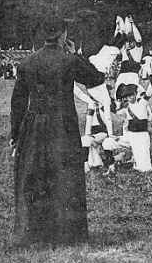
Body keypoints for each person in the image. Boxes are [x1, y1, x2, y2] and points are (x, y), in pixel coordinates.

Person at [10, 14, 105, 246]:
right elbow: (96, 78)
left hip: (34, 124)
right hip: (62, 125)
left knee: (34, 176)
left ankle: (33, 232)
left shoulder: (27, 62)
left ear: (44, 35)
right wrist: (76, 54)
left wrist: (16, 134)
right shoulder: (69, 61)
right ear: (63, 35)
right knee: (64, 177)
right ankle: (66, 233)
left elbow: (18, 102)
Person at [102, 83, 152, 174]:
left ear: (135, 94)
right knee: (107, 143)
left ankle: (131, 159)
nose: (131, 97)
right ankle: (111, 166)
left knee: (145, 169)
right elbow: (112, 110)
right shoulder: (126, 107)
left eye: (132, 94)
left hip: (141, 137)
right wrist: (106, 95)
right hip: (129, 136)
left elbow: (149, 91)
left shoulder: (143, 102)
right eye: (128, 96)